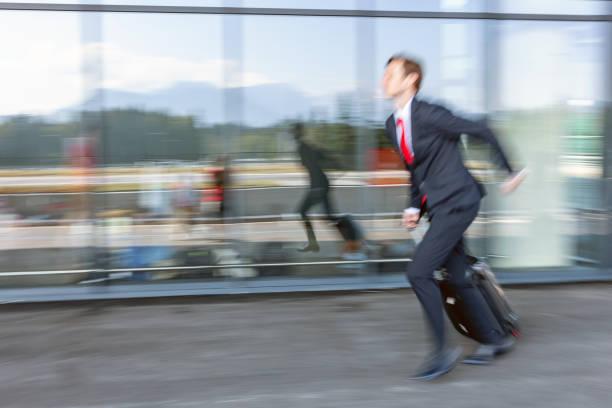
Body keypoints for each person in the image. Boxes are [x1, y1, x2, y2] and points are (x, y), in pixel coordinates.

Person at [381, 55, 526, 380]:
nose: (384, 79)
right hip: (440, 206)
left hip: (460, 201)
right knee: (458, 275)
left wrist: (510, 171)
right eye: (384, 73)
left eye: (391, 73)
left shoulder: (431, 113)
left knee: (419, 272)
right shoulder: (393, 124)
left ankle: (441, 353)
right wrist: (412, 207)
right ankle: (494, 339)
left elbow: (481, 130)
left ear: (411, 79)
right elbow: (415, 170)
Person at [293, 122, 338, 252]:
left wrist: (316, 188)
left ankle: (352, 242)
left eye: (294, 131)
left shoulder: (303, 147)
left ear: (298, 133)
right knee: (329, 217)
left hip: (319, 185)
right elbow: (321, 160)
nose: (292, 134)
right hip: (321, 184)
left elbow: (313, 168)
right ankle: (352, 242)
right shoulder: (305, 146)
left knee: (302, 212)